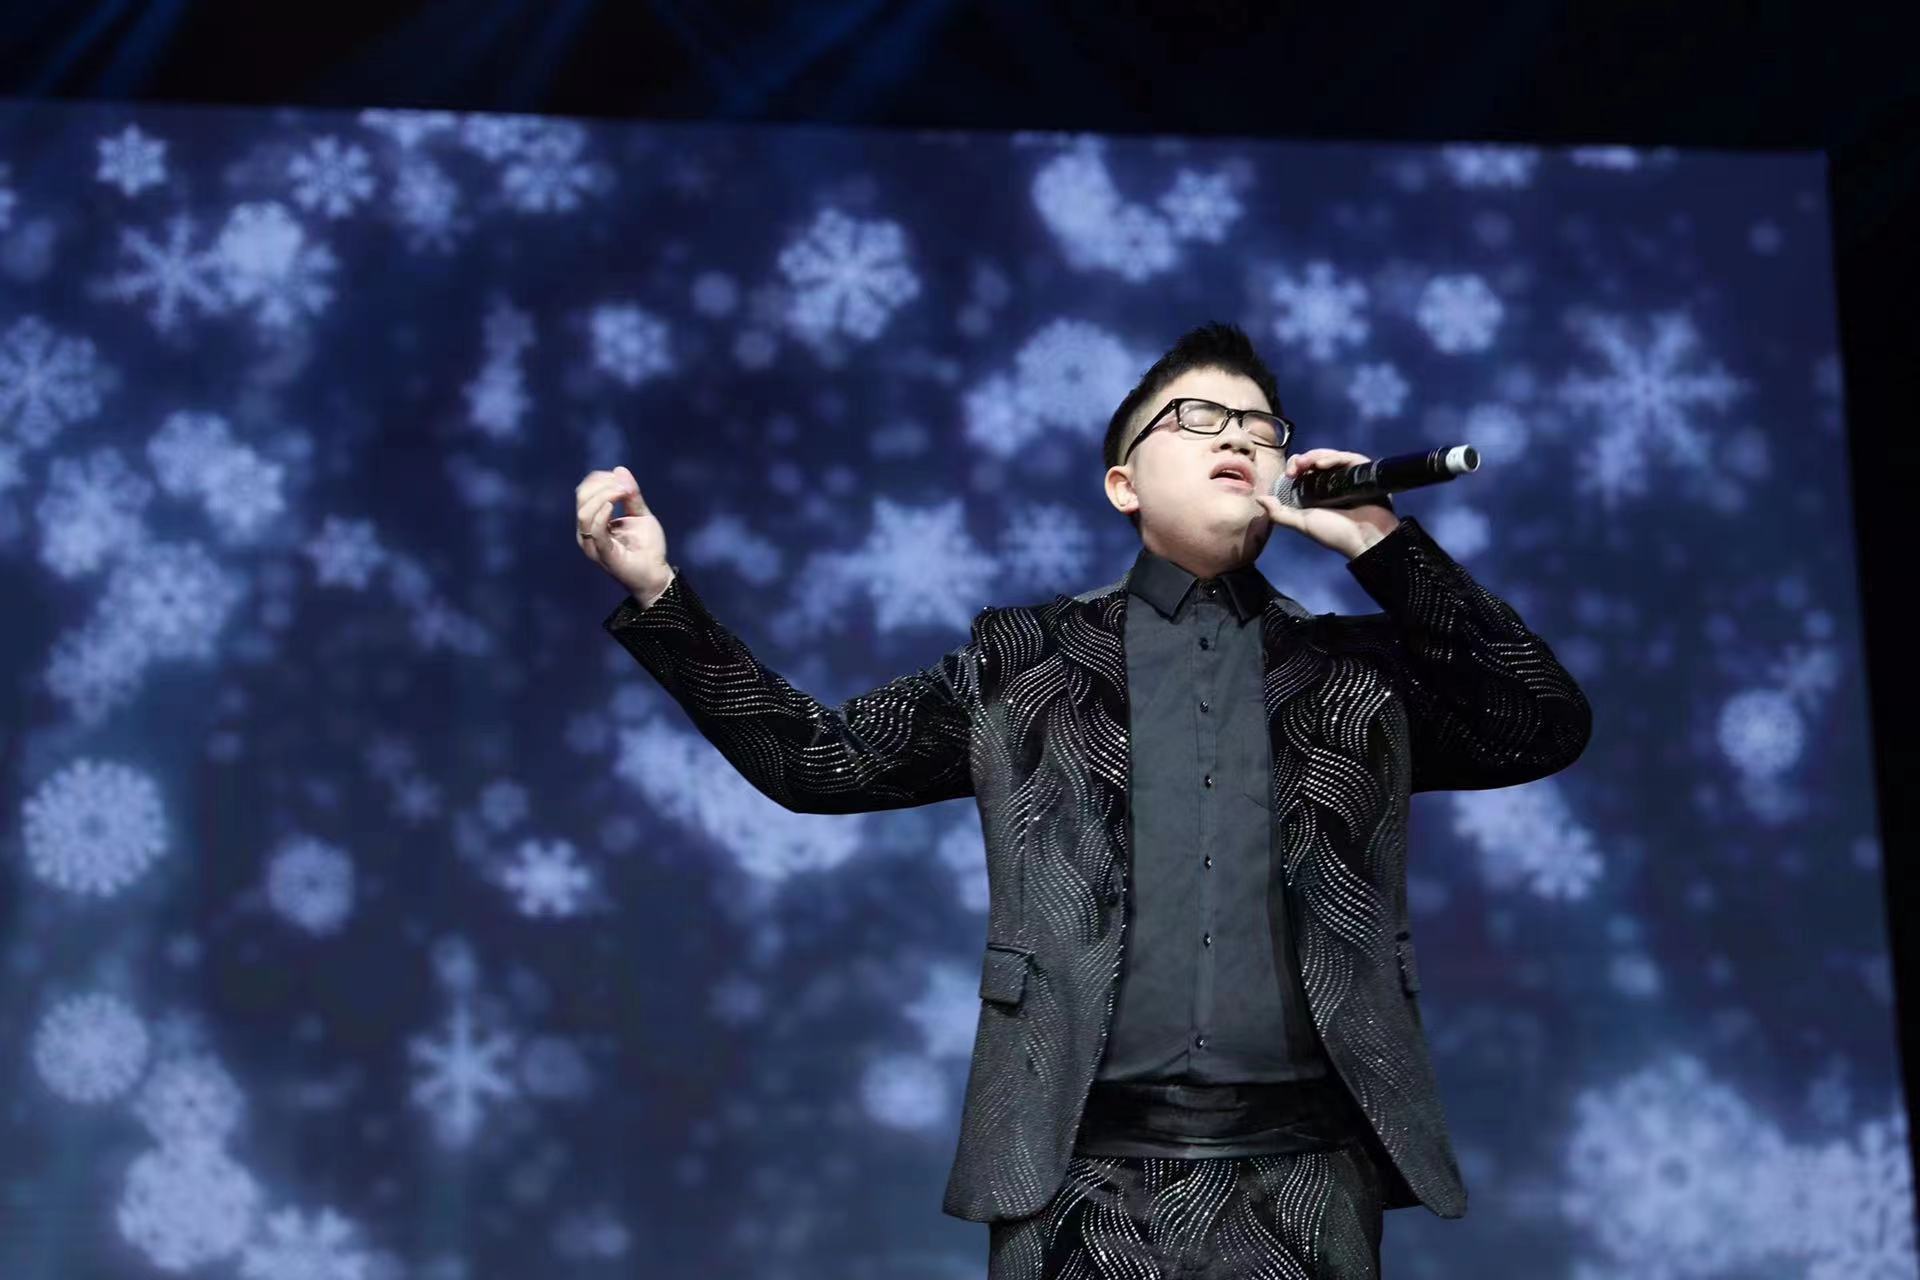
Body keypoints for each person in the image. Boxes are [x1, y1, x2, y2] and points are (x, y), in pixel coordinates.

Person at [576, 321, 1593, 1278]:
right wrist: (663, 597)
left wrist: (1383, 544)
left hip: (1308, 1175)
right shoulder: (1022, 663)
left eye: (1260, 427)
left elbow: (1540, 720)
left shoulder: (1353, 676)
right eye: (1199, 417)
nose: (1237, 436)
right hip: (1077, 1173)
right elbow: (817, 761)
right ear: (1123, 484)